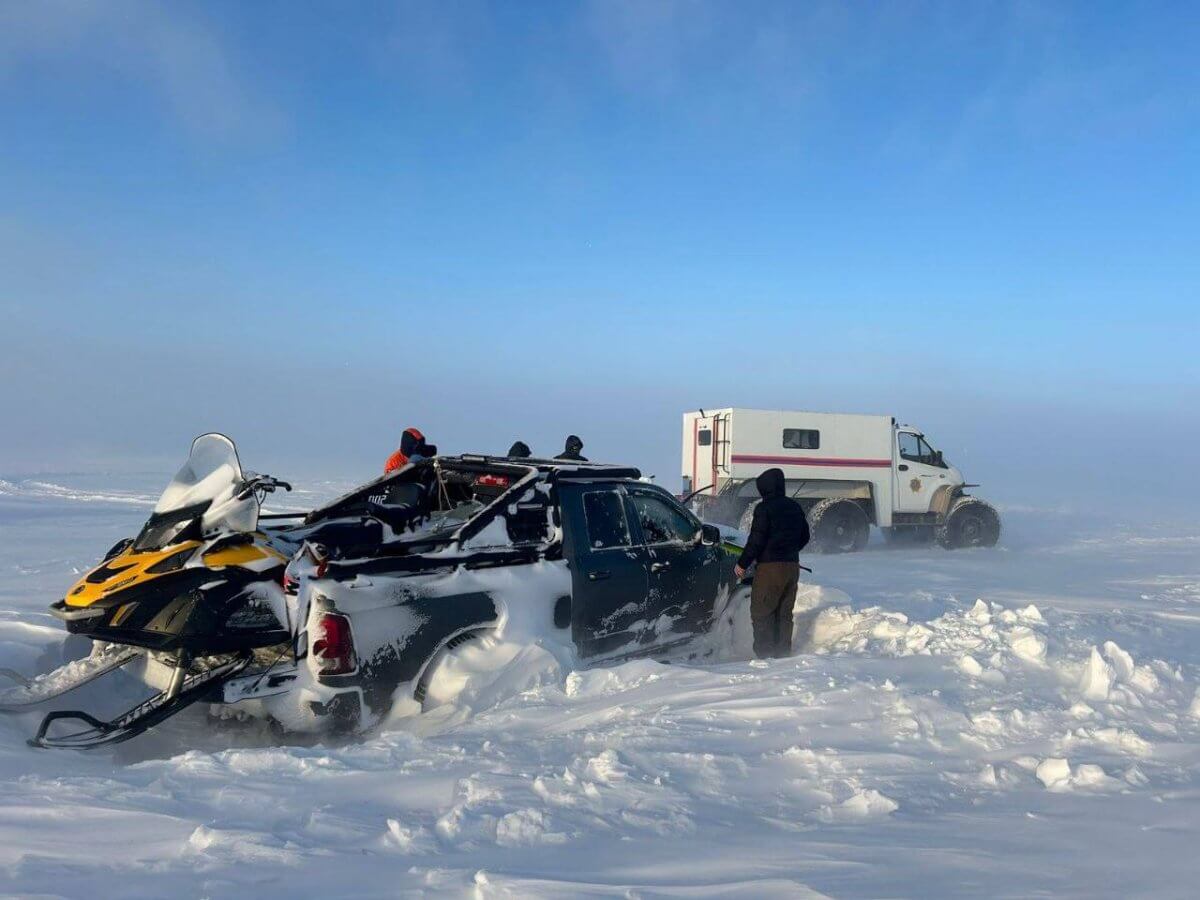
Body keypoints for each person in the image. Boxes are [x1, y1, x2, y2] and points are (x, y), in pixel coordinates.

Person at [733, 468, 810, 659]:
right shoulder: (794, 506)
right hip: (792, 567)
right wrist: (789, 551)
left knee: (762, 612)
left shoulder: (764, 508)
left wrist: (742, 564)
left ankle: (765, 657)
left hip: (770, 569)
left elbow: (756, 541)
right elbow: (805, 536)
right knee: (784, 613)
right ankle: (783, 654)